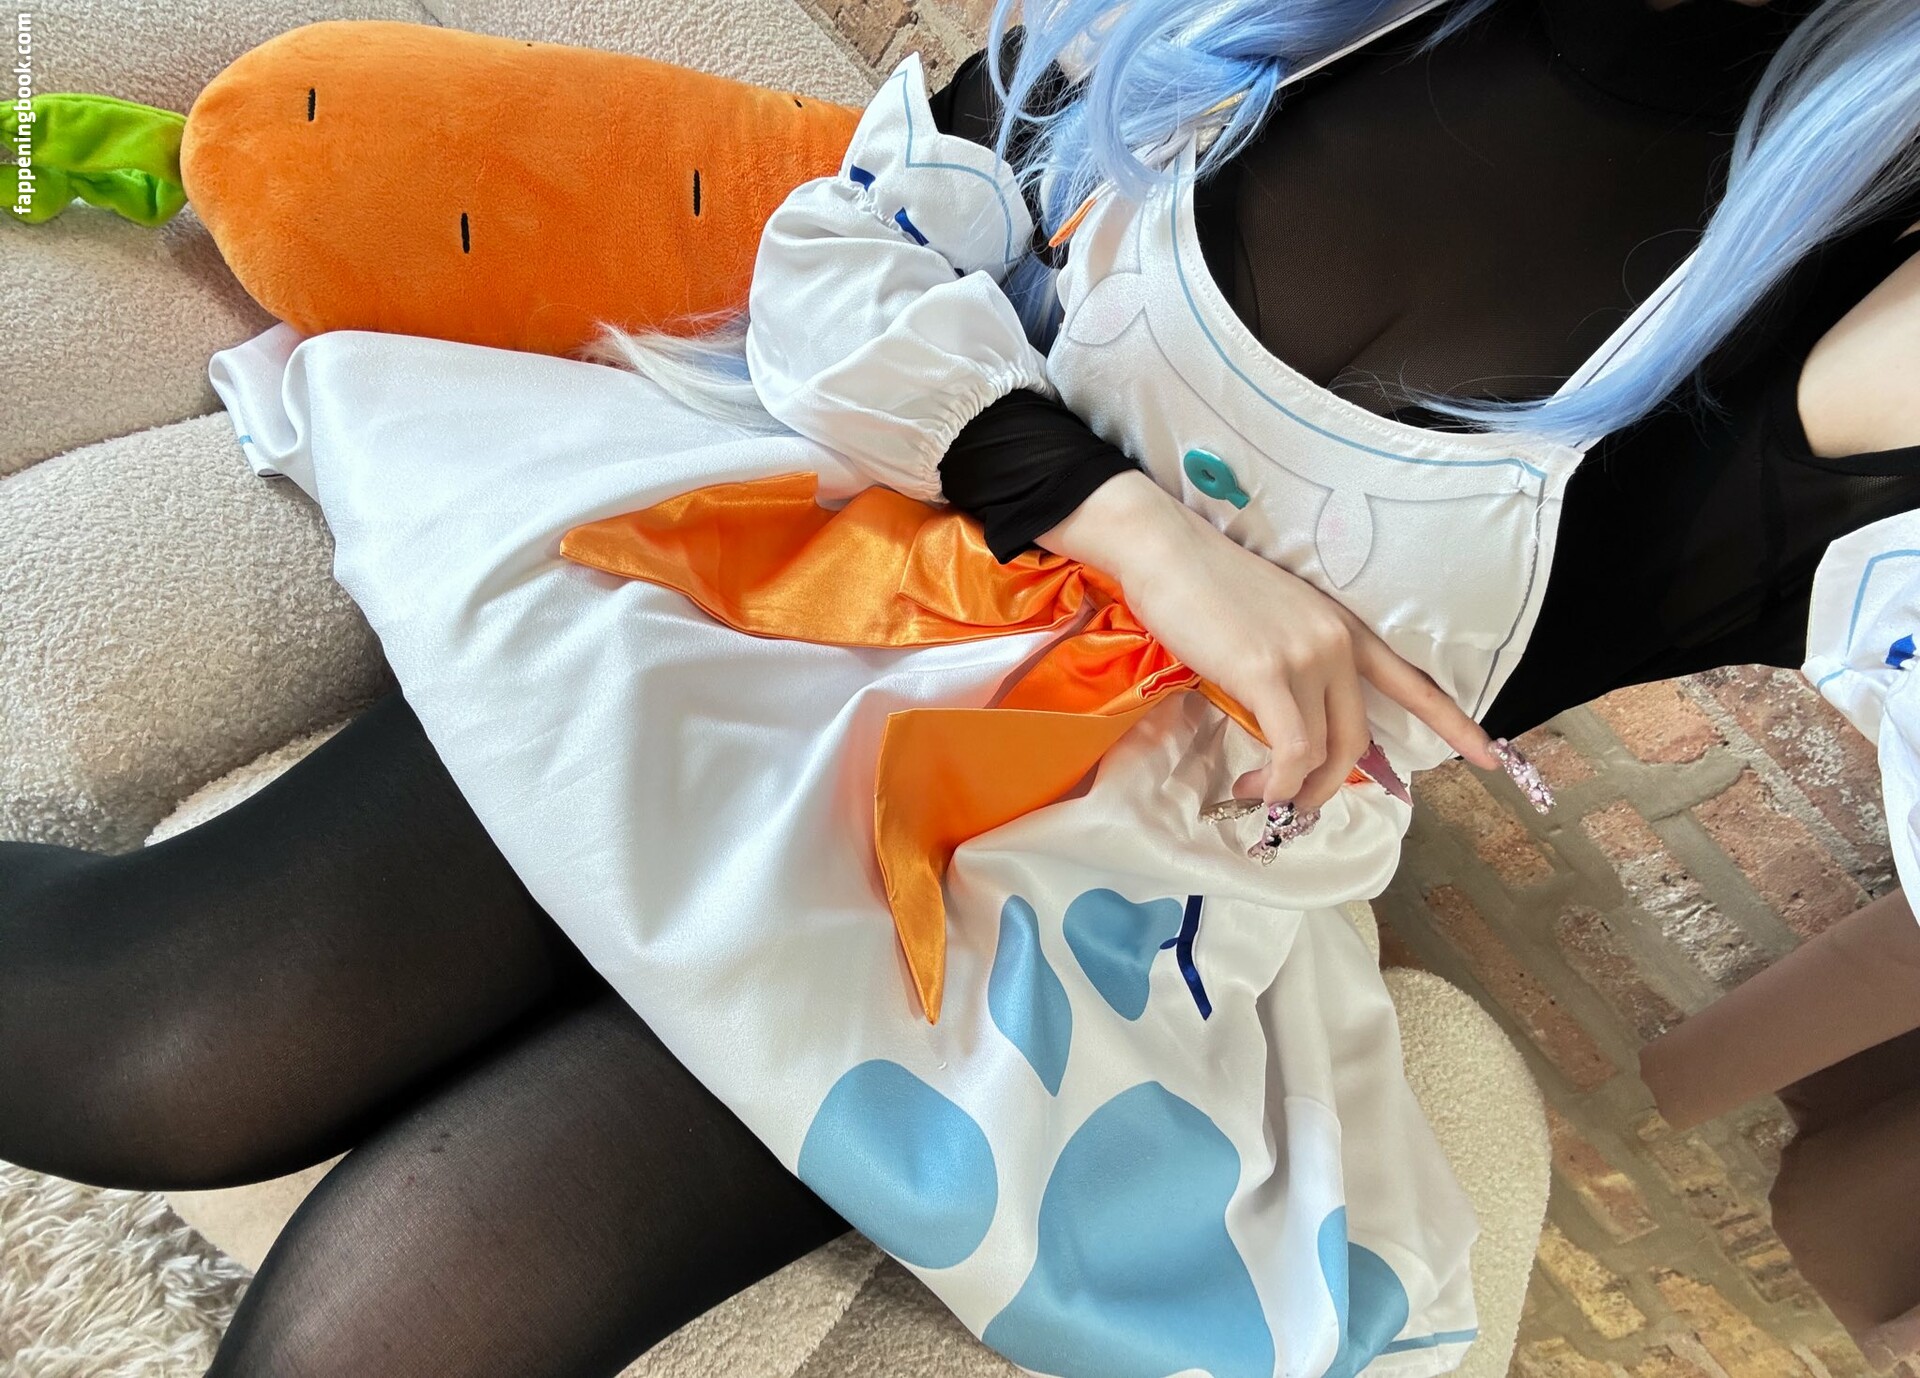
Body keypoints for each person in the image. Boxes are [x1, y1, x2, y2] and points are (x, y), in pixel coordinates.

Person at [2, 0, 1917, 1374]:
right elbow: (841, 244)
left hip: (1074, 883)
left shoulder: (1855, 323)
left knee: (400, 1324)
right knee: (151, 1051)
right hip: (812, 579)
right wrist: (1144, 535)